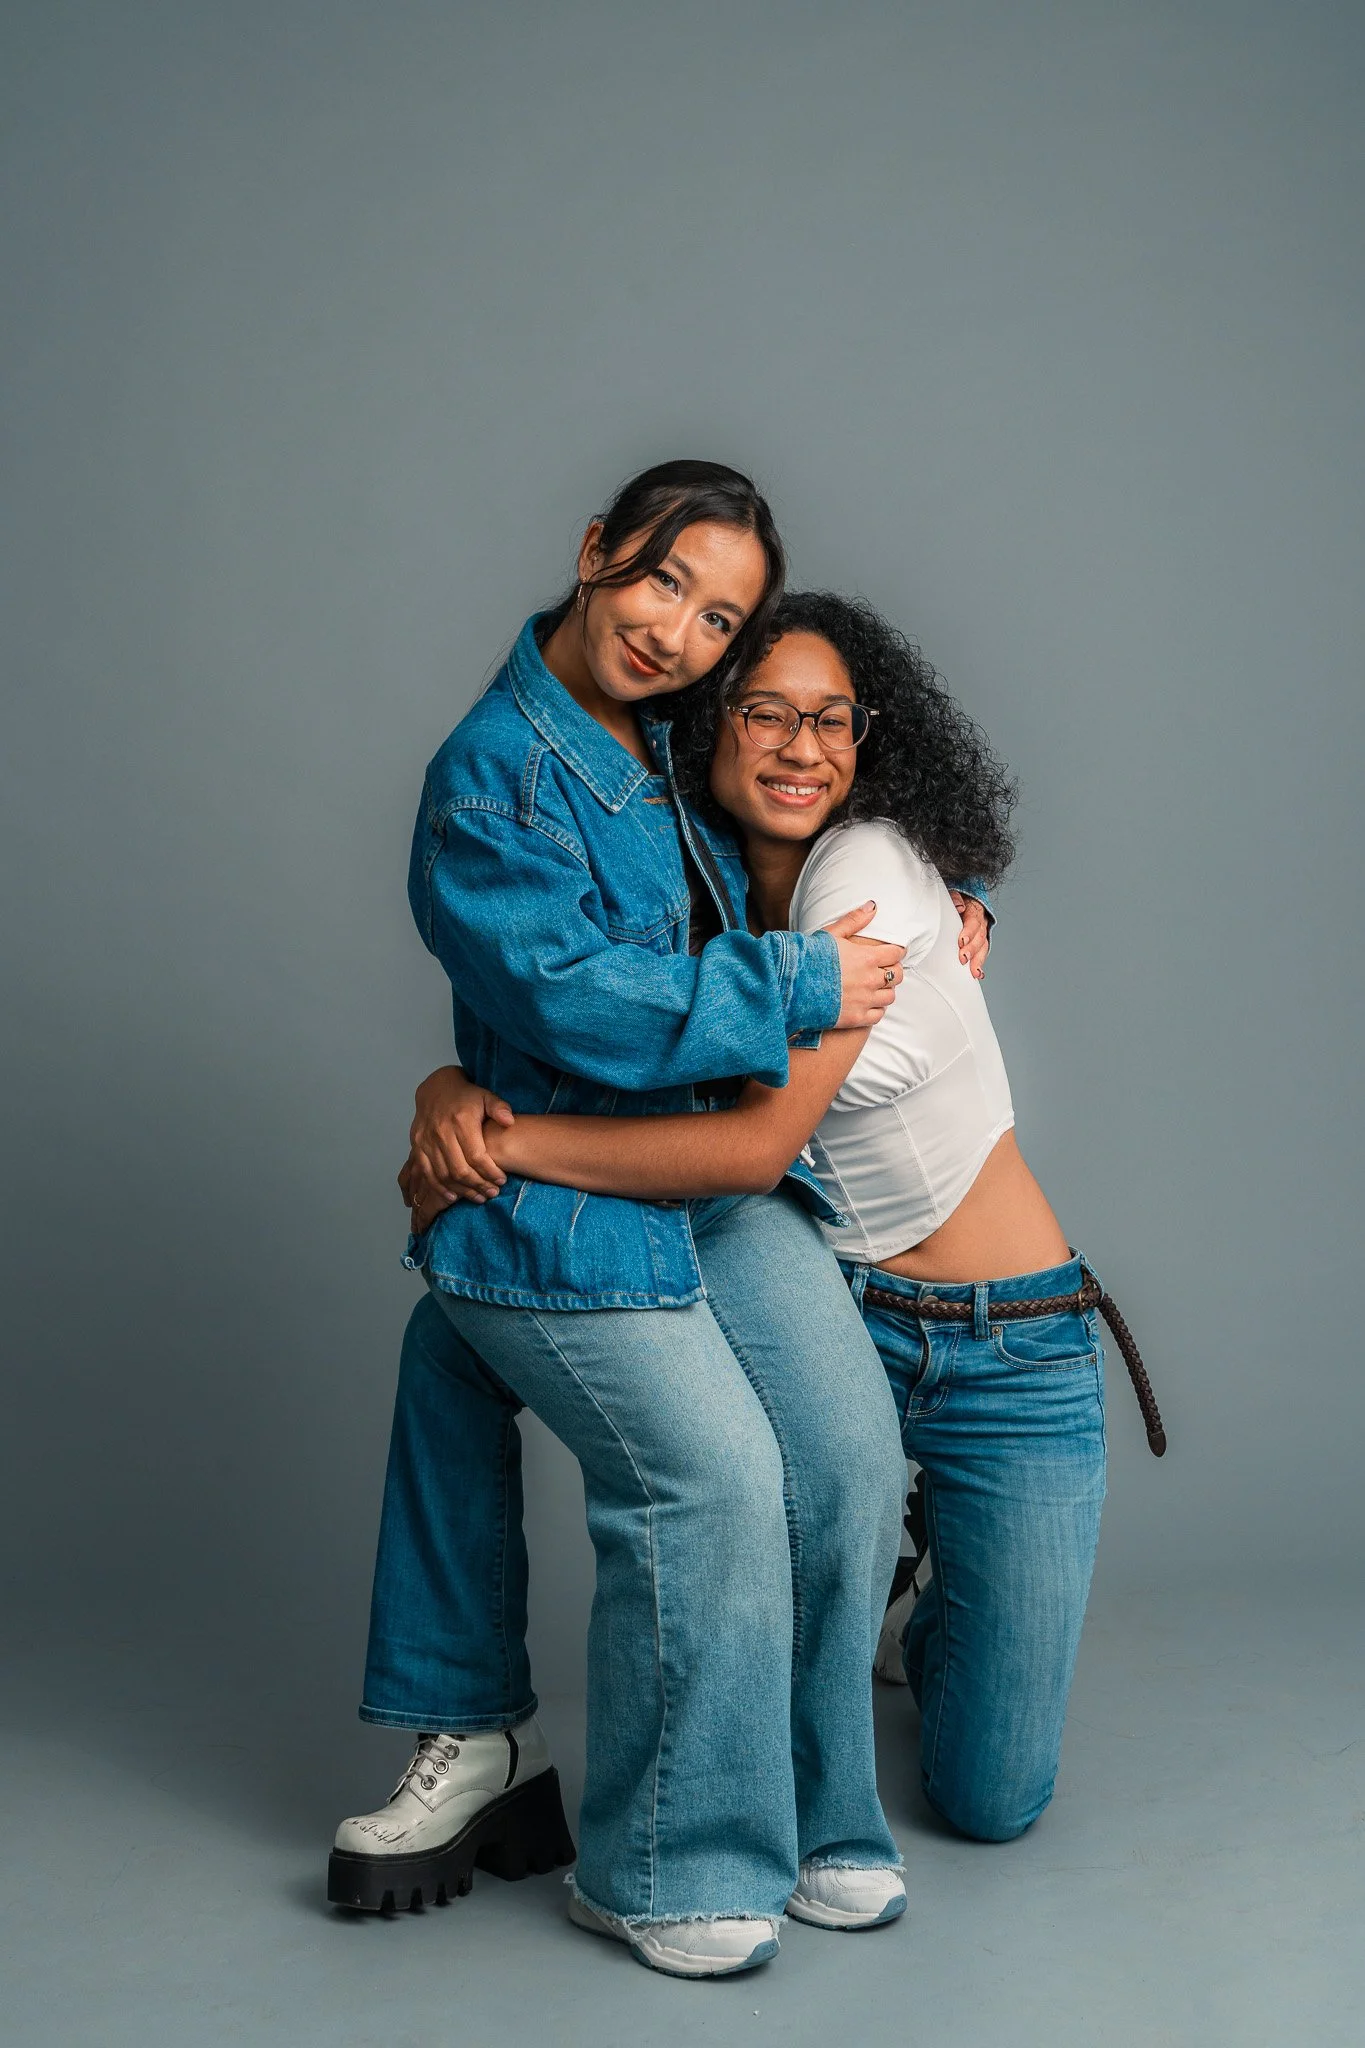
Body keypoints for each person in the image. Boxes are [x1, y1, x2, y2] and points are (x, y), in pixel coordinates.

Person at [331, 463, 959, 1980]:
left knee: (848, 1456)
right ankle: (664, 1861)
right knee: (714, 1482)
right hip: (555, 1206)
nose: (678, 632)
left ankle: (815, 1814)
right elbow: (581, 1005)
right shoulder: (489, 780)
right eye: (665, 581)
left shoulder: (681, 731)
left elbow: (822, 783)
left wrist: (959, 896)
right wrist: (800, 983)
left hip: (711, 1188)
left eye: (718, 617)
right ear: (596, 550)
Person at [398, 589, 1124, 1872]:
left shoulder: (864, 876)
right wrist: (451, 1084)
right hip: (843, 1310)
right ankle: (469, 1719)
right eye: (767, 713)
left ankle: (925, 1596)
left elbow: (745, 1147)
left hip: (1010, 1347)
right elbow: (593, 1020)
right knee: (455, 1325)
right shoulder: (713, 900)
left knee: (992, 1794)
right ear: (705, 722)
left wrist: (496, 1143)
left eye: (833, 719)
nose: (803, 746)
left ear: (870, 739)